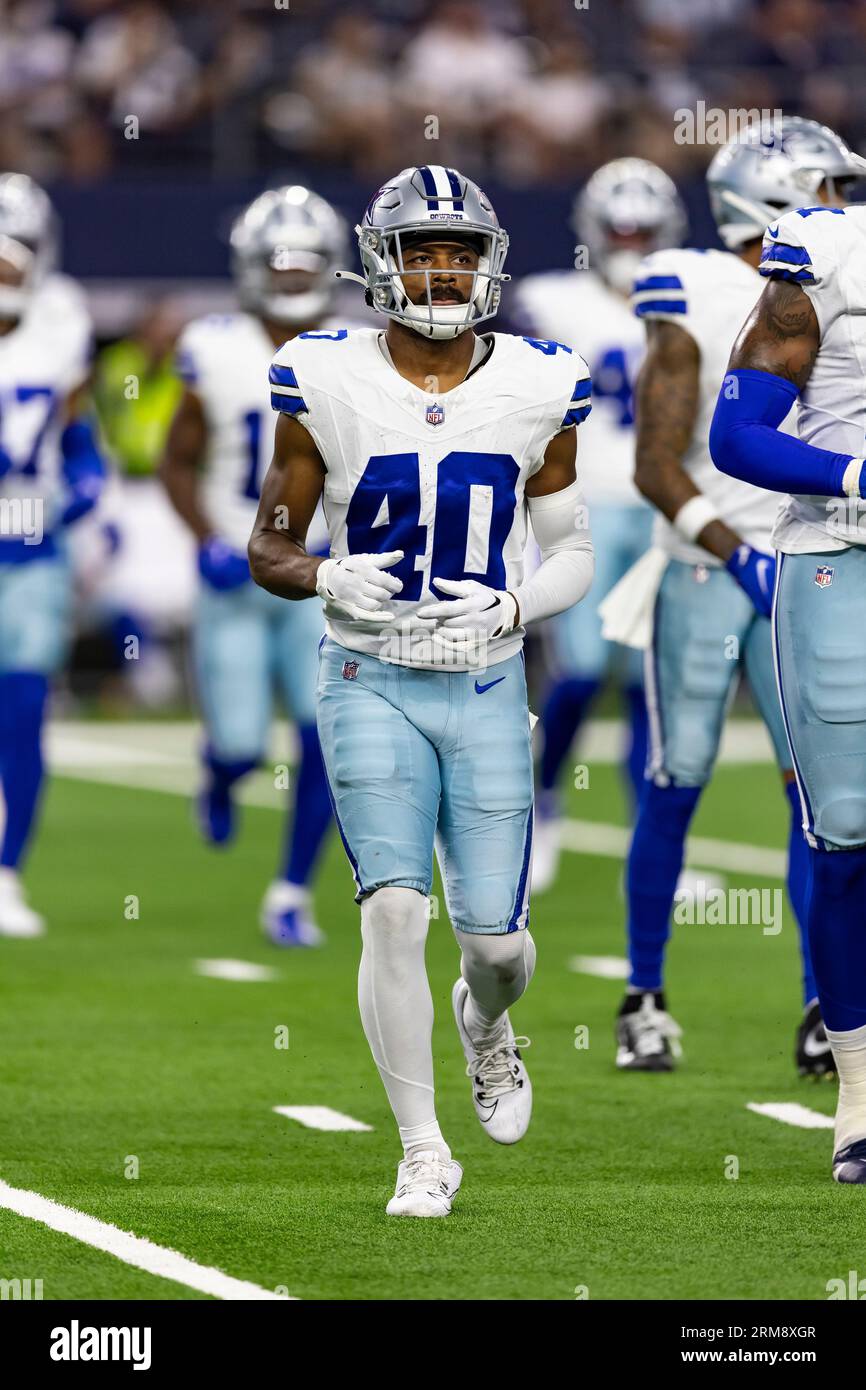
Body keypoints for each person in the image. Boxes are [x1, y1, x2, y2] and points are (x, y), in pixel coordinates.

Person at [248, 165, 595, 1216]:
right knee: (393, 913)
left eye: (458, 251)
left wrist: (519, 608)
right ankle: (419, 1148)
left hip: (485, 678)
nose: (440, 270)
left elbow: (572, 547)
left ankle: (485, 1021)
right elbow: (267, 542)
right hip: (367, 674)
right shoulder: (320, 374)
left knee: (495, 943)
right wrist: (322, 571)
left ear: (487, 262)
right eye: (419, 250)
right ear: (380, 262)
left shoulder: (539, 380)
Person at [613, 120, 836, 1076]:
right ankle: (644, 996)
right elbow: (653, 465)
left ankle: (826, 1005)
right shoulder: (696, 285)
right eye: (824, 187)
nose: (840, 205)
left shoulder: (835, 280)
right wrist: (732, 549)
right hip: (708, 566)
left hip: (809, 563)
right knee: (679, 774)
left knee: (821, 795)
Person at [709, 121, 866, 1181]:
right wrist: (855, 477)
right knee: (847, 836)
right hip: (839, 560)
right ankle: (858, 1097)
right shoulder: (823, 255)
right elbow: (735, 435)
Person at [161, 187, 343, 947]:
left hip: (318, 574)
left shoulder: (356, 345)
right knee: (241, 743)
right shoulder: (211, 344)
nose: (293, 278)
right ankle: (220, 771)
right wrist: (207, 536)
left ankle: (292, 891)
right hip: (237, 572)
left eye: (306, 265)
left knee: (323, 738)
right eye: (280, 264)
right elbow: (177, 459)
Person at [514, 158, 686, 891]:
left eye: (641, 228)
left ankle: (652, 845)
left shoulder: (690, 297)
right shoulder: (551, 300)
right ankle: (543, 803)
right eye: (620, 228)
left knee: (654, 683)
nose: (631, 240)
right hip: (576, 504)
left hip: (661, 508)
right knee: (582, 671)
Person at [0, 173, 103, 937]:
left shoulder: (62, 318)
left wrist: (87, 477)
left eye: (20, 247)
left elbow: (75, 431)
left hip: (33, 549)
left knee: (25, 709)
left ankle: (6, 874)